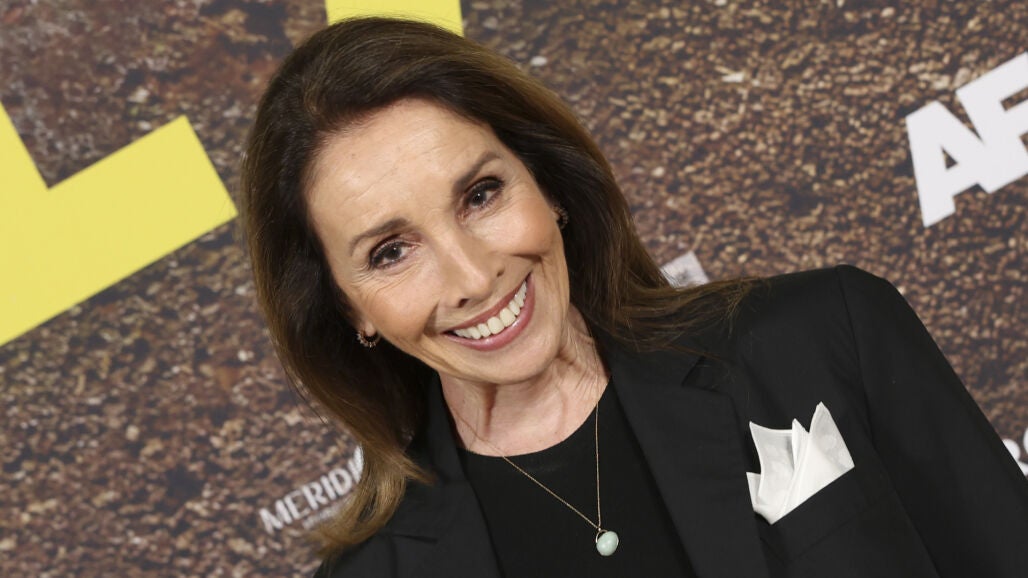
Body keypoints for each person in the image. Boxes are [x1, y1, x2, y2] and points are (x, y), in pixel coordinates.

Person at [239, 17, 1028, 578]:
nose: (473, 277)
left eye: (480, 195)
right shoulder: (380, 571)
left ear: (547, 183)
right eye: (391, 252)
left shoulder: (823, 337)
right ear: (349, 308)